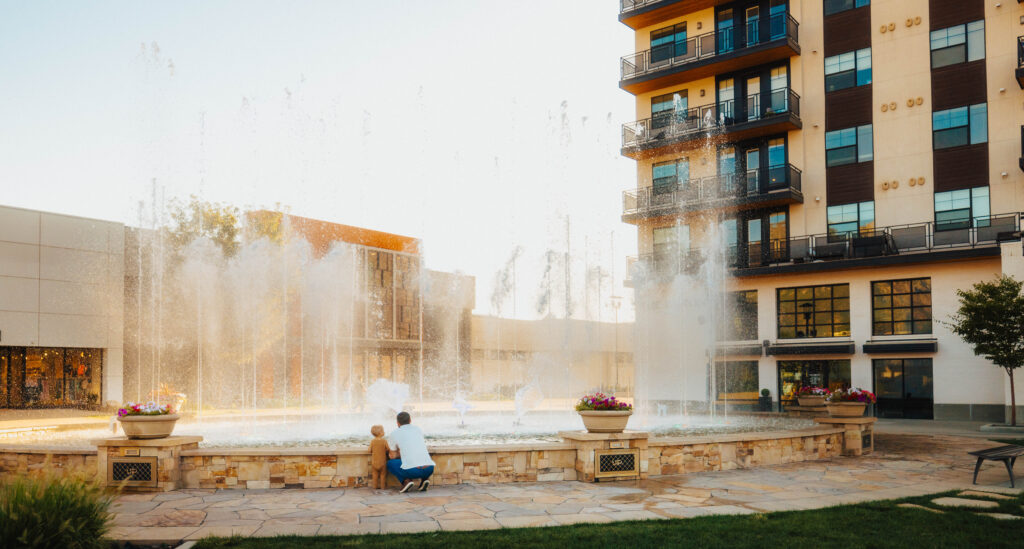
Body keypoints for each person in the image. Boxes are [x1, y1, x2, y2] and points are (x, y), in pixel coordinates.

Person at [386, 411, 435, 493]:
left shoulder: (394, 433)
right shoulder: (418, 429)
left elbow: (393, 456)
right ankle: (425, 479)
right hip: (429, 468)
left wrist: (399, 452)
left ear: (397, 423)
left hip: (412, 470)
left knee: (390, 463)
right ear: (410, 420)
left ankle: (406, 481)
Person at [368, 425, 388, 489]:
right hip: (383, 462)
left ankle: (374, 487)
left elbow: (369, 450)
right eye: (383, 430)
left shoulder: (372, 441)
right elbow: (388, 449)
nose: (384, 432)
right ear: (380, 432)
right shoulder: (384, 441)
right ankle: (383, 487)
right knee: (383, 475)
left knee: (375, 475)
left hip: (374, 462)